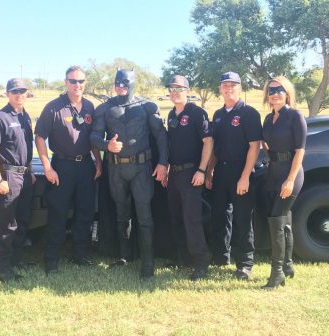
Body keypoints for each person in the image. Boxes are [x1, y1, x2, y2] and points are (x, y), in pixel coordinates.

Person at [90, 68, 168, 278]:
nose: (120, 86)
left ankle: (148, 263)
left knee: (144, 215)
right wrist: (107, 145)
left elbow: (161, 136)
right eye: (117, 82)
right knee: (121, 214)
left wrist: (163, 163)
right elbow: (94, 137)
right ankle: (124, 256)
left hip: (141, 168)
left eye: (125, 82)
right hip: (116, 168)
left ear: (133, 83)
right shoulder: (105, 108)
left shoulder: (147, 106)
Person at [35, 66, 102, 274]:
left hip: (86, 166)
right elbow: (39, 137)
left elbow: (93, 139)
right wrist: (47, 167)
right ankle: (51, 259)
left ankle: (80, 255)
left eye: (81, 81)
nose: (77, 85)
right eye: (73, 81)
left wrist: (98, 162)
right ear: (66, 82)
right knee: (58, 213)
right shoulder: (54, 107)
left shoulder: (90, 107)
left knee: (85, 211)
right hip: (62, 166)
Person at [206, 71, 262, 280]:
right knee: (220, 216)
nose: (228, 89)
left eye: (233, 85)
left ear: (240, 87)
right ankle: (221, 257)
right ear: (220, 89)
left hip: (242, 171)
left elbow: (254, 147)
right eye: (225, 85)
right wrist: (210, 170)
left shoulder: (249, 113)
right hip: (221, 171)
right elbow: (215, 147)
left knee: (242, 219)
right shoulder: (218, 115)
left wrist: (245, 176)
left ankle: (245, 263)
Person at [165, 75, 213, 281]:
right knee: (176, 218)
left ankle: (201, 263)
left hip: (191, 173)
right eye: (171, 89)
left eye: (179, 88)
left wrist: (202, 170)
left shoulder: (197, 113)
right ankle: (182, 258)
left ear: (187, 90)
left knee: (192, 220)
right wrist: (166, 169)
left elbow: (208, 142)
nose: (175, 92)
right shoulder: (170, 114)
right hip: (174, 173)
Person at [0, 78, 35, 282]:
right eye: (15, 91)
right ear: (8, 94)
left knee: (23, 220)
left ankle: (15, 259)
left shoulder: (25, 117)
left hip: (25, 175)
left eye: (22, 91)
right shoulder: (1, 118)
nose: (19, 95)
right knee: (7, 224)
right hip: (8, 176)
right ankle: (2, 268)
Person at [261, 76, 306, 289]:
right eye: (271, 90)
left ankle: (277, 273)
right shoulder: (269, 119)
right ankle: (287, 265)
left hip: (291, 174)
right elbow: (266, 145)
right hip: (274, 173)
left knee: (276, 219)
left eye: (279, 89)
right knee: (284, 219)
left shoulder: (295, 116)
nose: (275, 93)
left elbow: (300, 151)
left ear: (287, 92)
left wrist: (289, 179)